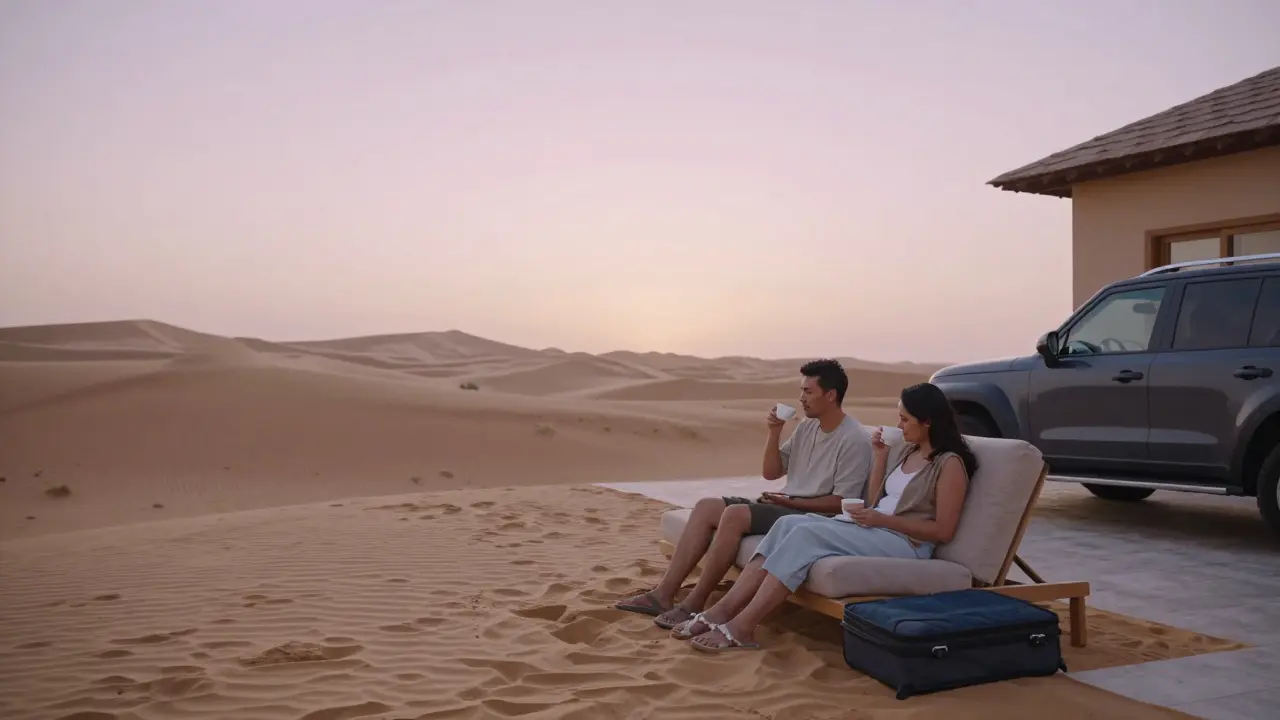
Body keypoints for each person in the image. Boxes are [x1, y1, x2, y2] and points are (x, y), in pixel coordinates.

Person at [672, 381, 978, 652]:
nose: (899, 424)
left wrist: (882, 520)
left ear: (927, 422)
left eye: (904, 418)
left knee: (805, 534)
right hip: (875, 529)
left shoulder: (949, 464)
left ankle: (743, 626)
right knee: (786, 523)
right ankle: (721, 612)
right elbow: (875, 502)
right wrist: (880, 459)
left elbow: (943, 531)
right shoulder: (908, 452)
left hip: (907, 544)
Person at [615, 359, 873, 629]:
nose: (801, 398)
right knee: (705, 506)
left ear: (830, 395)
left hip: (809, 516)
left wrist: (789, 501)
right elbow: (771, 473)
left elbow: (841, 502)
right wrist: (773, 433)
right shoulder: (808, 426)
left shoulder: (853, 439)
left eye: (808, 392)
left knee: (736, 514)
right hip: (785, 504)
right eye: (801, 390)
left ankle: (693, 604)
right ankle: (663, 595)